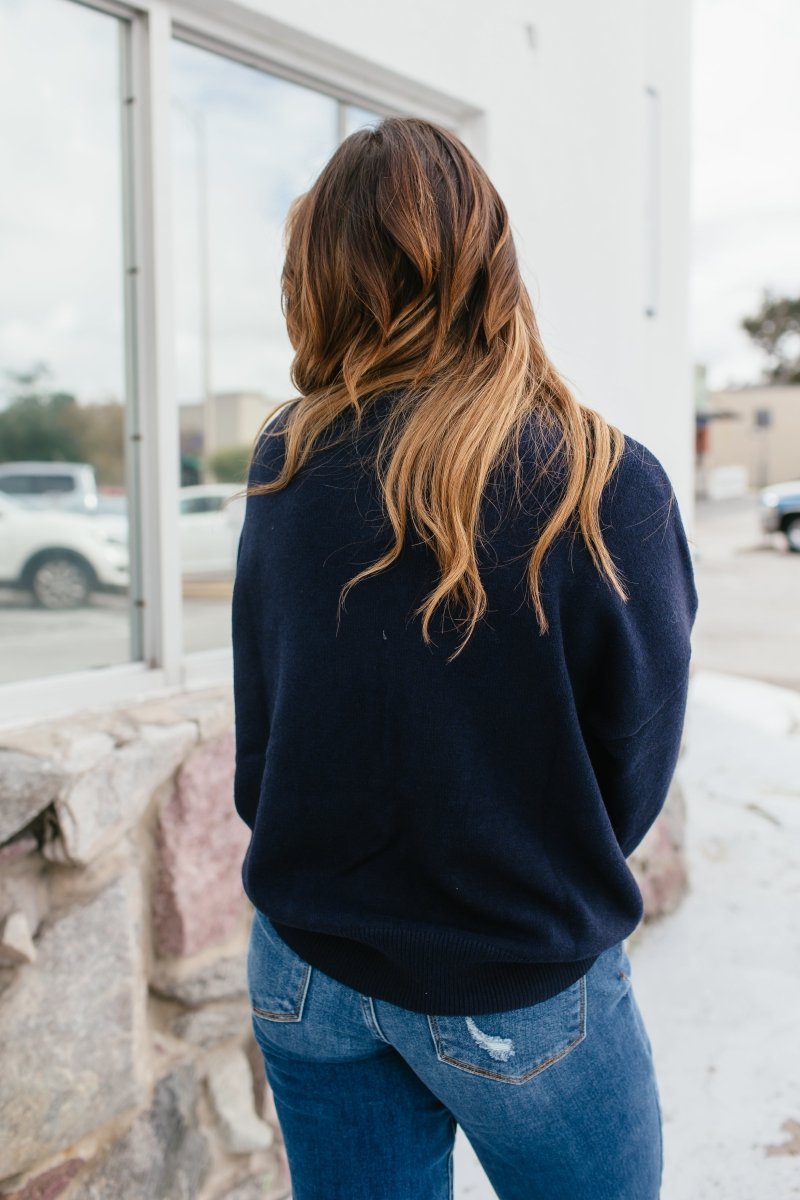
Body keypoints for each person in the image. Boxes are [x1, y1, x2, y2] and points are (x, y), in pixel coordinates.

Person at [231, 116, 698, 1200]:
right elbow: (629, 772)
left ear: (320, 273)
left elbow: (265, 732)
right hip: (516, 984)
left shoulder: (282, 461)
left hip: (307, 966)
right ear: (489, 259)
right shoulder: (599, 483)